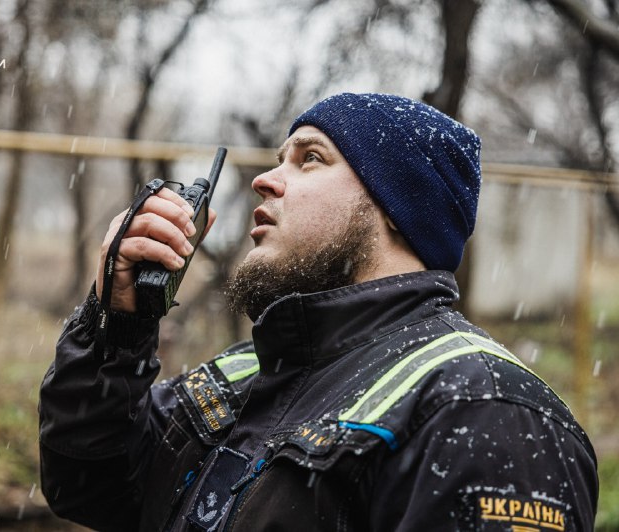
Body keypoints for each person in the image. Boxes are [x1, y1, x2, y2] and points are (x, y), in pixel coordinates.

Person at [38, 93, 598, 531]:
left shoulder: (485, 412)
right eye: (282, 157)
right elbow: (90, 485)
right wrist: (120, 325)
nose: (263, 178)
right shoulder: (251, 374)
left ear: (397, 209)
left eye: (310, 158)